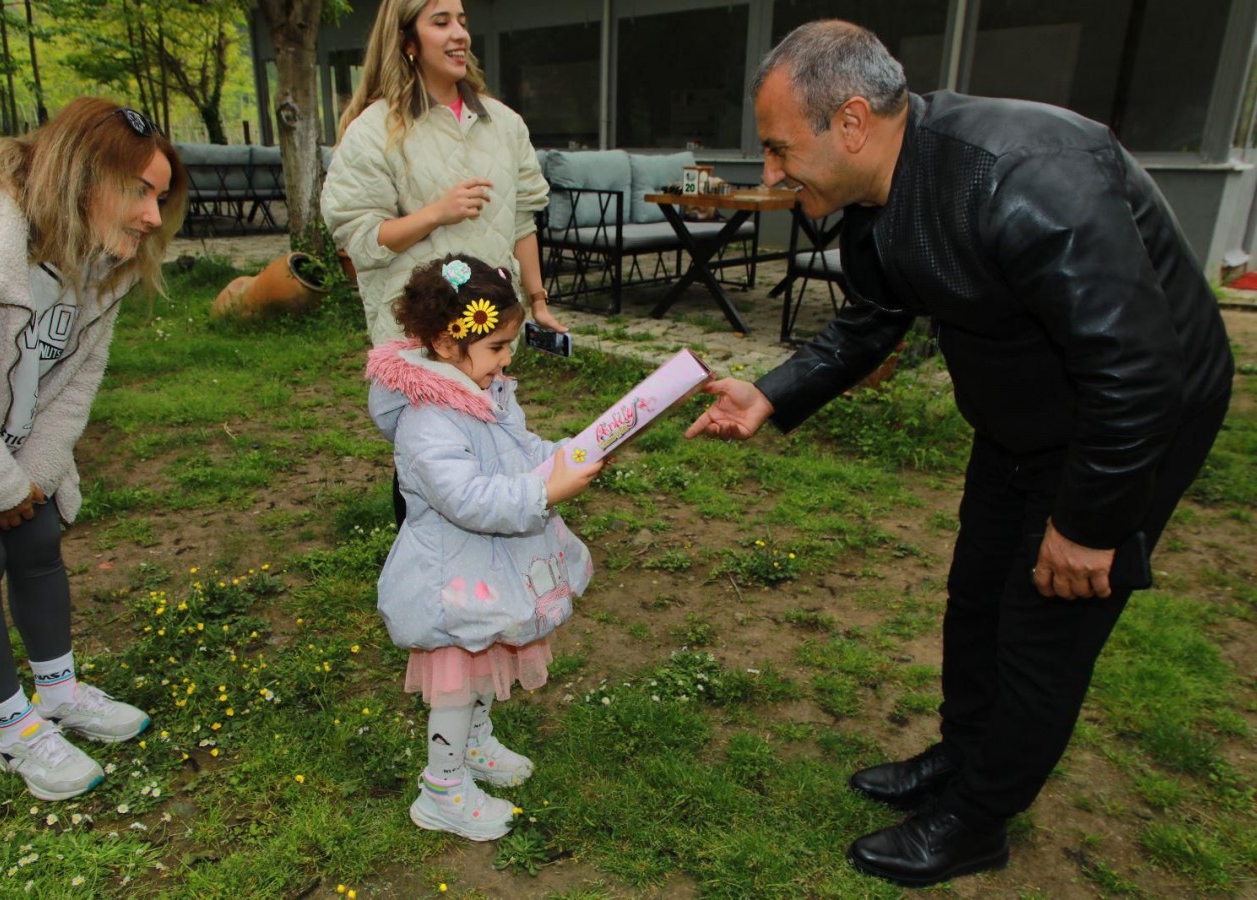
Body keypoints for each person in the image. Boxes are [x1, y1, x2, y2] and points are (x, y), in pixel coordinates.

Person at [686, 20, 1234, 887]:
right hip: (1022, 415)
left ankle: (978, 822)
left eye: (779, 148)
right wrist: (771, 393)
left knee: (1042, 626)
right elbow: (873, 316)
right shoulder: (869, 199)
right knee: (978, 594)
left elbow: (1136, 368)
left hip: (1129, 421)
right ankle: (961, 758)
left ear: (853, 122)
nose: (771, 173)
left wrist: (1089, 525)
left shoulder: (1024, 177)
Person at [0, 98, 188, 801]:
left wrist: (29, 478)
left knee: (35, 535)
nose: (154, 216)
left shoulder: (98, 255)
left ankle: (57, 694)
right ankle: (15, 732)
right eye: (139, 192)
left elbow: (78, 370)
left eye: (160, 195)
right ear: (82, 176)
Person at [366, 254, 602, 841]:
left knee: (487, 659)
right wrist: (545, 491)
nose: (506, 360)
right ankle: (441, 789)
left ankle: (472, 746)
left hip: (484, 571)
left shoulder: (485, 391)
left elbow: (517, 450)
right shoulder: (428, 421)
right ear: (448, 344)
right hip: (453, 581)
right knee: (456, 678)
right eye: (497, 347)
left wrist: (563, 456)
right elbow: (470, 498)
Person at [322, 0, 565, 526]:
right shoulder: (374, 131)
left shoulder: (504, 124)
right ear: (408, 41)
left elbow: (522, 219)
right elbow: (359, 238)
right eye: (441, 22)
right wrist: (436, 214)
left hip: (486, 328)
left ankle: (488, 576)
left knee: (492, 443)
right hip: (423, 337)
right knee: (431, 459)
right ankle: (428, 575)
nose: (460, 35)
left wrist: (537, 299)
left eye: (462, 21)